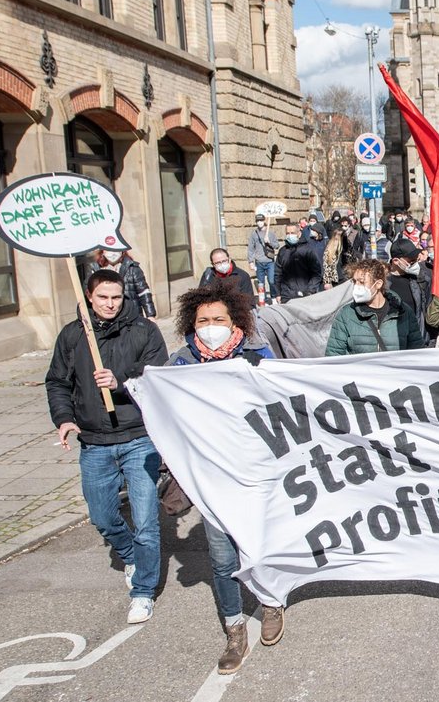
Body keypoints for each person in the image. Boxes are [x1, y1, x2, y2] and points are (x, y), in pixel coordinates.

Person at [166, 283, 284, 673]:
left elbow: (281, 401)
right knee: (221, 556)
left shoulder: (256, 355)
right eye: (203, 321)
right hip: (209, 477)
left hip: (253, 471)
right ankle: (234, 628)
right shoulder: (179, 365)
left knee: (259, 544)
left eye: (219, 319)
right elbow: (162, 412)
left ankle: (270, 602)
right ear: (191, 324)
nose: (211, 326)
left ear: (235, 321)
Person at [45, 269, 168, 624]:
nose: (111, 304)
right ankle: (129, 553)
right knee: (102, 516)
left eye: (116, 297)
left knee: (146, 522)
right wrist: (65, 418)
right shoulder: (72, 336)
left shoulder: (143, 330)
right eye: (103, 298)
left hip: (138, 437)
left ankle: (143, 590)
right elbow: (57, 381)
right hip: (95, 441)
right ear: (89, 296)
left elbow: (157, 375)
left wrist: (120, 382)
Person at [326, 259, 424, 354]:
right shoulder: (346, 314)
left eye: (361, 282)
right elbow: (334, 354)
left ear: (378, 284)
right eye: (354, 282)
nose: (356, 286)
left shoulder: (404, 312)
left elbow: (417, 352)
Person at [88, 248, 156, 319]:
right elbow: (89, 296)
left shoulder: (132, 268)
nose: (113, 253)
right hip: (107, 317)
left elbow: (144, 293)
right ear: (102, 251)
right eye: (108, 249)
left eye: (116, 249)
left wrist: (150, 315)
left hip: (131, 316)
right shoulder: (95, 269)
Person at [387, 238, 431, 334]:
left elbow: (426, 309)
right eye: (411, 261)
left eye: (416, 260)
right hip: (392, 338)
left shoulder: (421, 279)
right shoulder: (383, 283)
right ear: (396, 261)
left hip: (416, 337)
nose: (415, 264)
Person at [275, 223, 322, 303]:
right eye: (287, 233)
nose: (289, 235)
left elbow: (316, 273)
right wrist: (278, 293)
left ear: (299, 233)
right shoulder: (283, 251)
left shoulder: (308, 250)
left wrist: (310, 291)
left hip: (304, 295)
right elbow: (278, 273)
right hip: (286, 296)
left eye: (292, 233)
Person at [247, 214, 279, 304]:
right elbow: (251, 248)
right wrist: (251, 261)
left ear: (264, 221)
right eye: (258, 221)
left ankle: (273, 297)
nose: (259, 222)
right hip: (259, 262)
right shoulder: (254, 234)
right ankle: (263, 299)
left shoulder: (270, 233)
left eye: (261, 220)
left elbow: (277, 245)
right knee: (261, 283)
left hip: (270, 261)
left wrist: (269, 242)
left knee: (271, 281)